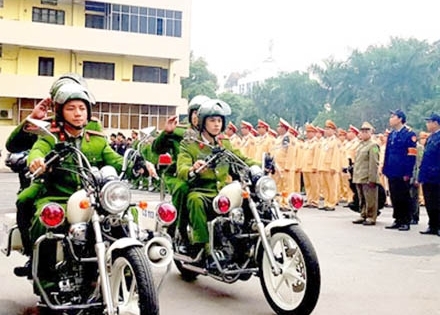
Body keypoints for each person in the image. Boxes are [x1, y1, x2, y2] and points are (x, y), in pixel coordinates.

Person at [19, 83, 126, 278]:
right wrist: (36, 161)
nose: (78, 113)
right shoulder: (50, 137)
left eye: (82, 108)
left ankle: (127, 270)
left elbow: (115, 161)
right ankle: (45, 277)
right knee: (45, 220)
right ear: (60, 112)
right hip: (58, 195)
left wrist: (138, 163)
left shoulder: (97, 140)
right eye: (71, 108)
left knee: (126, 216)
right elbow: (37, 150)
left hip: (92, 198)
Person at [177, 99, 258, 256]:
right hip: (203, 191)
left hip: (224, 191)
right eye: (212, 120)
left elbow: (241, 159)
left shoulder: (224, 143)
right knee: (195, 200)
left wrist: (260, 166)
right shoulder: (190, 143)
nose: (216, 124)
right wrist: (192, 168)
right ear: (202, 122)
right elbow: (182, 167)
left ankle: (245, 243)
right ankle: (202, 245)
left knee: (250, 199)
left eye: (219, 120)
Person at [151, 95, 210, 242]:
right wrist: (166, 132)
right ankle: (176, 229)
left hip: (205, 178)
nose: (197, 117)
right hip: (179, 175)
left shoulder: (214, 136)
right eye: (195, 113)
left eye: (201, 113)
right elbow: (156, 149)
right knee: (183, 188)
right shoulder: (180, 133)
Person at [383, 109, 417, 231]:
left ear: (400, 119)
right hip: (392, 170)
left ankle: (405, 220)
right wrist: (385, 168)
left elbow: (411, 155)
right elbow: (387, 153)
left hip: (402, 171)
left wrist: (408, 172)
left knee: (404, 196)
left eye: (393, 116)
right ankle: (397, 219)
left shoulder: (409, 134)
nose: (390, 119)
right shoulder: (392, 134)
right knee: (394, 196)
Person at [352, 122, 380, 225]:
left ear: (370, 132)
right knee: (362, 198)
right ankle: (363, 214)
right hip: (359, 175)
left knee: (370, 198)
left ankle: (371, 216)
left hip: (368, 176)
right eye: (362, 131)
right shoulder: (360, 144)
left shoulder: (373, 145)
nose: (363, 133)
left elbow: (374, 163)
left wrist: (372, 178)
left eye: (366, 131)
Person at [418, 113, 440, 236]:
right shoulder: (431, 138)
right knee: (429, 201)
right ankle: (432, 225)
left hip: (437, 175)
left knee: (438, 201)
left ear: (436, 123)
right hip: (427, 175)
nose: (427, 124)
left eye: (429, 122)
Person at [317, 120, 341, 211]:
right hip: (323, 166)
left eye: (328, 129)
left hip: (330, 167)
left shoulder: (335, 141)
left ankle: (331, 203)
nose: (326, 131)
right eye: (325, 129)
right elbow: (321, 155)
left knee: (332, 186)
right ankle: (326, 202)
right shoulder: (324, 141)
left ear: (333, 130)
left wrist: (334, 167)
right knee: (325, 186)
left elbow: (336, 155)